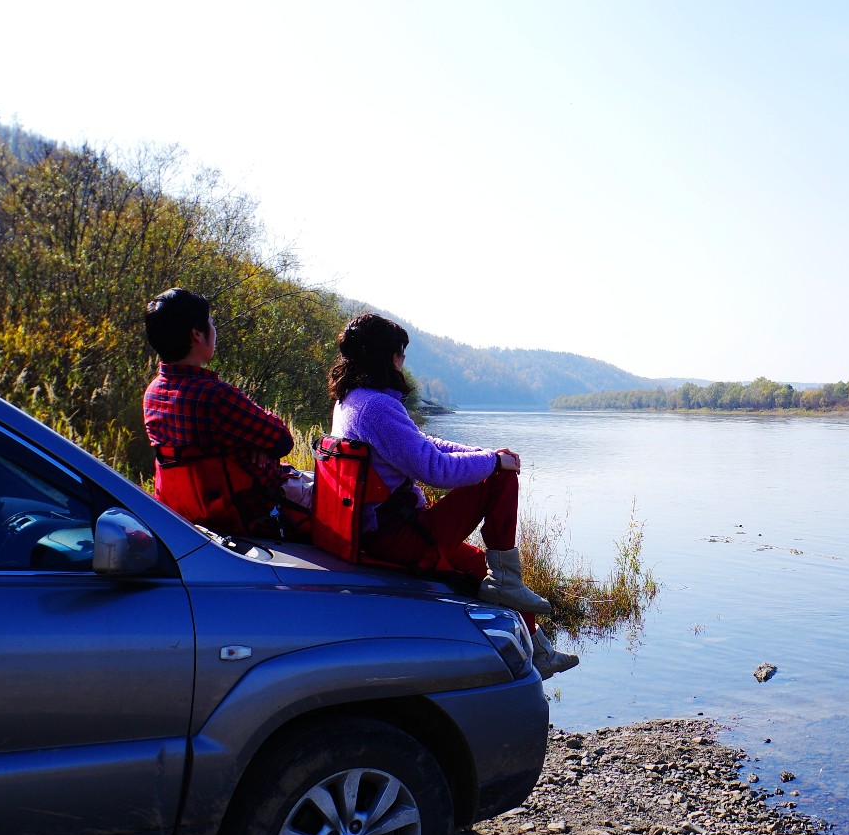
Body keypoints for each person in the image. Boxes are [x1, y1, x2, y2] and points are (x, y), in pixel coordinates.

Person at [328, 312, 579, 677]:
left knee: (481, 565)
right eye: (400, 354)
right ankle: (510, 585)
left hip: (377, 530)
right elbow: (434, 469)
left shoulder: (353, 401)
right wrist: (493, 465)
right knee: (498, 481)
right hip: (398, 537)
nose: (402, 362)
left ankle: (539, 650)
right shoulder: (378, 407)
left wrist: (483, 454)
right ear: (387, 357)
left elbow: (423, 444)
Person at [142, 288, 312, 532]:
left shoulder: (153, 393)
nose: (214, 330)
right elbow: (283, 440)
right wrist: (260, 446)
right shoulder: (213, 395)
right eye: (211, 323)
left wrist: (255, 446)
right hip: (256, 508)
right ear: (197, 334)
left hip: (194, 515)